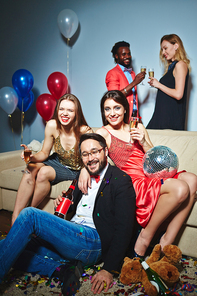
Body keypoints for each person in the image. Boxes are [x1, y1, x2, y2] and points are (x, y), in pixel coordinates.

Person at [0, 133, 136, 296]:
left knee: (30, 215)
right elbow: (78, 209)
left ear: (105, 152)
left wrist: (108, 269)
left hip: (92, 241)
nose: (90, 158)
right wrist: (68, 205)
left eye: (94, 152)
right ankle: (61, 270)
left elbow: (125, 228)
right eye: (85, 154)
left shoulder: (120, 180)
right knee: (9, 244)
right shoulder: (81, 174)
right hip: (73, 236)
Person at [79, 90, 197, 258]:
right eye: (107, 109)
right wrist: (84, 169)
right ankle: (145, 237)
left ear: (125, 109)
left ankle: (166, 242)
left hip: (151, 173)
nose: (112, 113)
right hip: (133, 181)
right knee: (180, 188)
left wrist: (143, 141)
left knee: (192, 179)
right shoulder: (104, 133)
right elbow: (88, 152)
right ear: (103, 112)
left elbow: (155, 157)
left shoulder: (138, 127)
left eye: (117, 108)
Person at [12, 93, 92, 226]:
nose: (64, 114)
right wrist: (32, 157)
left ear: (76, 114)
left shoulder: (85, 132)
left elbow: (91, 157)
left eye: (70, 110)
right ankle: (15, 218)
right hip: (58, 161)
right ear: (57, 110)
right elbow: (44, 152)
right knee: (30, 167)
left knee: (43, 173)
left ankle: (27, 213)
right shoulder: (52, 125)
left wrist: (85, 170)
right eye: (61, 109)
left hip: (75, 169)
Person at [147, 34, 190, 130]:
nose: (163, 52)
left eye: (165, 48)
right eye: (162, 49)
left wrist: (158, 85)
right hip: (162, 118)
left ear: (176, 46)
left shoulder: (180, 65)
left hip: (169, 121)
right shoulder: (172, 68)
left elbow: (179, 94)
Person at [105, 41, 145, 119]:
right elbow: (114, 96)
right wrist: (134, 83)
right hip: (122, 117)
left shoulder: (132, 73)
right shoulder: (112, 73)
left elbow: (134, 98)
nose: (127, 56)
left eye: (129, 54)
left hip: (134, 117)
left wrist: (138, 117)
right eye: (123, 54)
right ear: (116, 56)